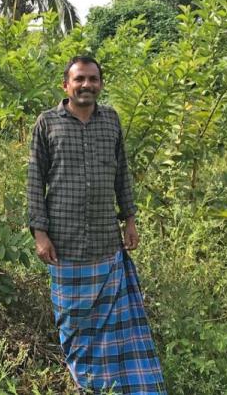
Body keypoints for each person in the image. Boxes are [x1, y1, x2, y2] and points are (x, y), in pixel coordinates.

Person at [27, 56, 166, 394]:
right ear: (66, 85)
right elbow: (34, 180)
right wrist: (40, 233)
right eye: (79, 79)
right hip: (65, 245)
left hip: (107, 241)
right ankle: (86, 383)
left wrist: (130, 218)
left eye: (92, 79)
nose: (86, 85)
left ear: (100, 84)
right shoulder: (47, 124)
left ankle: (119, 383)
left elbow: (122, 175)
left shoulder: (111, 121)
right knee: (74, 324)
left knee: (113, 325)